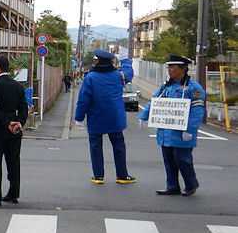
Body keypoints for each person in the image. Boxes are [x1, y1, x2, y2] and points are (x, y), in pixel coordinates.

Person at [139, 54, 206, 196]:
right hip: (165, 132)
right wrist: (144, 115)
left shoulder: (193, 88)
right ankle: (172, 186)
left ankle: (191, 184)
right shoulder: (166, 86)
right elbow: (155, 101)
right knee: (168, 160)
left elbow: (197, 111)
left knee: (183, 160)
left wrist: (190, 130)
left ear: (183, 69)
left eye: (172, 67)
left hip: (182, 132)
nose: (169, 70)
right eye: (168, 67)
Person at [74, 49, 137, 185]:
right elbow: (129, 74)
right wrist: (125, 61)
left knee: (95, 146)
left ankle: (98, 176)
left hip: (96, 116)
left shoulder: (90, 77)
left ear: (98, 61)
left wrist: (79, 117)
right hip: (115, 117)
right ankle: (122, 175)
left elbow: (84, 99)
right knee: (119, 146)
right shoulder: (118, 76)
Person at [0, 56, 28, 206]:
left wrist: (6, 122)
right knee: (14, 162)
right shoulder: (18, 86)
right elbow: (24, 107)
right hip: (15, 128)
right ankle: (13, 193)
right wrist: (19, 122)